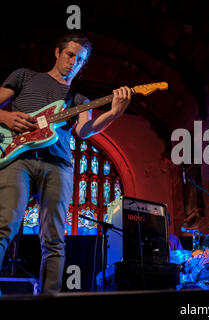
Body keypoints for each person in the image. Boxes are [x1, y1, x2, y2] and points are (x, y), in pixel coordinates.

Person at [0, 32, 132, 294]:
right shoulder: (25, 76)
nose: (74, 62)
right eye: (70, 55)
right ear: (57, 53)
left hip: (58, 164)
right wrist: (5, 116)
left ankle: (50, 296)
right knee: (5, 225)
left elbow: (84, 131)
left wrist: (114, 114)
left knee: (55, 238)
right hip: (18, 157)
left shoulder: (79, 98)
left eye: (80, 60)